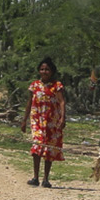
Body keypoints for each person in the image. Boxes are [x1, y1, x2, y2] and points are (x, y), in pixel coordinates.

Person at [27, 57, 67, 187]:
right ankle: (35, 177)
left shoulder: (57, 86)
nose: (44, 72)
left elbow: (61, 102)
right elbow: (28, 103)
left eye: (47, 69)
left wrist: (62, 118)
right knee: (37, 147)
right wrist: (23, 120)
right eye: (42, 69)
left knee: (49, 148)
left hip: (52, 122)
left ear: (52, 71)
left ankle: (46, 179)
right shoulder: (34, 85)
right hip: (37, 121)